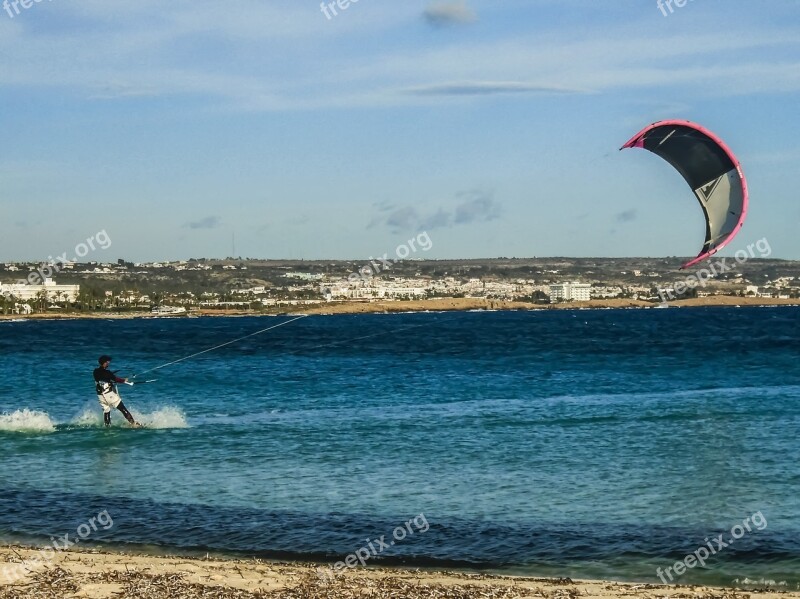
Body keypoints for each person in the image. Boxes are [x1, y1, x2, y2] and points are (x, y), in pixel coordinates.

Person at [93, 355, 140, 427]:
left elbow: (103, 377)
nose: (109, 363)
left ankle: (107, 428)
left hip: (100, 396)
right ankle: (133, 424)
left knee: (106, 410)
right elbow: (115, 379)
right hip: (109, 395)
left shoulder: (95, 372)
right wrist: (124, 380)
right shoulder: (108, 373)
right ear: (105, 363)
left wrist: (111, 378)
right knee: (122, 408)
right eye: (108, 362)